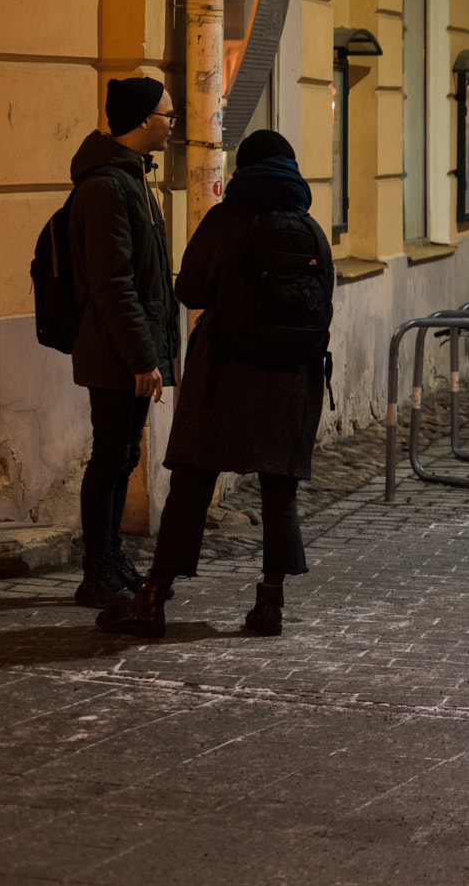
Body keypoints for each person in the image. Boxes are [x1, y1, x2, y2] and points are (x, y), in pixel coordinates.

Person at [98, 130, 335, 638]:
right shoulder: (311, 229)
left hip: (223, 375)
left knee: (191, 482)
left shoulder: (228, 219)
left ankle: (154, 601)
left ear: (244, 170)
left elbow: (189, 289)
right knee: (279, 490)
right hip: (290, 381)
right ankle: (269, 605)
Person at [68, 78, 180, 609]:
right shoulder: (107, 187)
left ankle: (111, 561)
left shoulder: (133, 178)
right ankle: (97, 572)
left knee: (121, 456)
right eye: (166, 113)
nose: (173, 120)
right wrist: (143, 356)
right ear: (141, 121)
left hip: (130, 350)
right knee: (110, 458)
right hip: (115, 352)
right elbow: (113, 282)